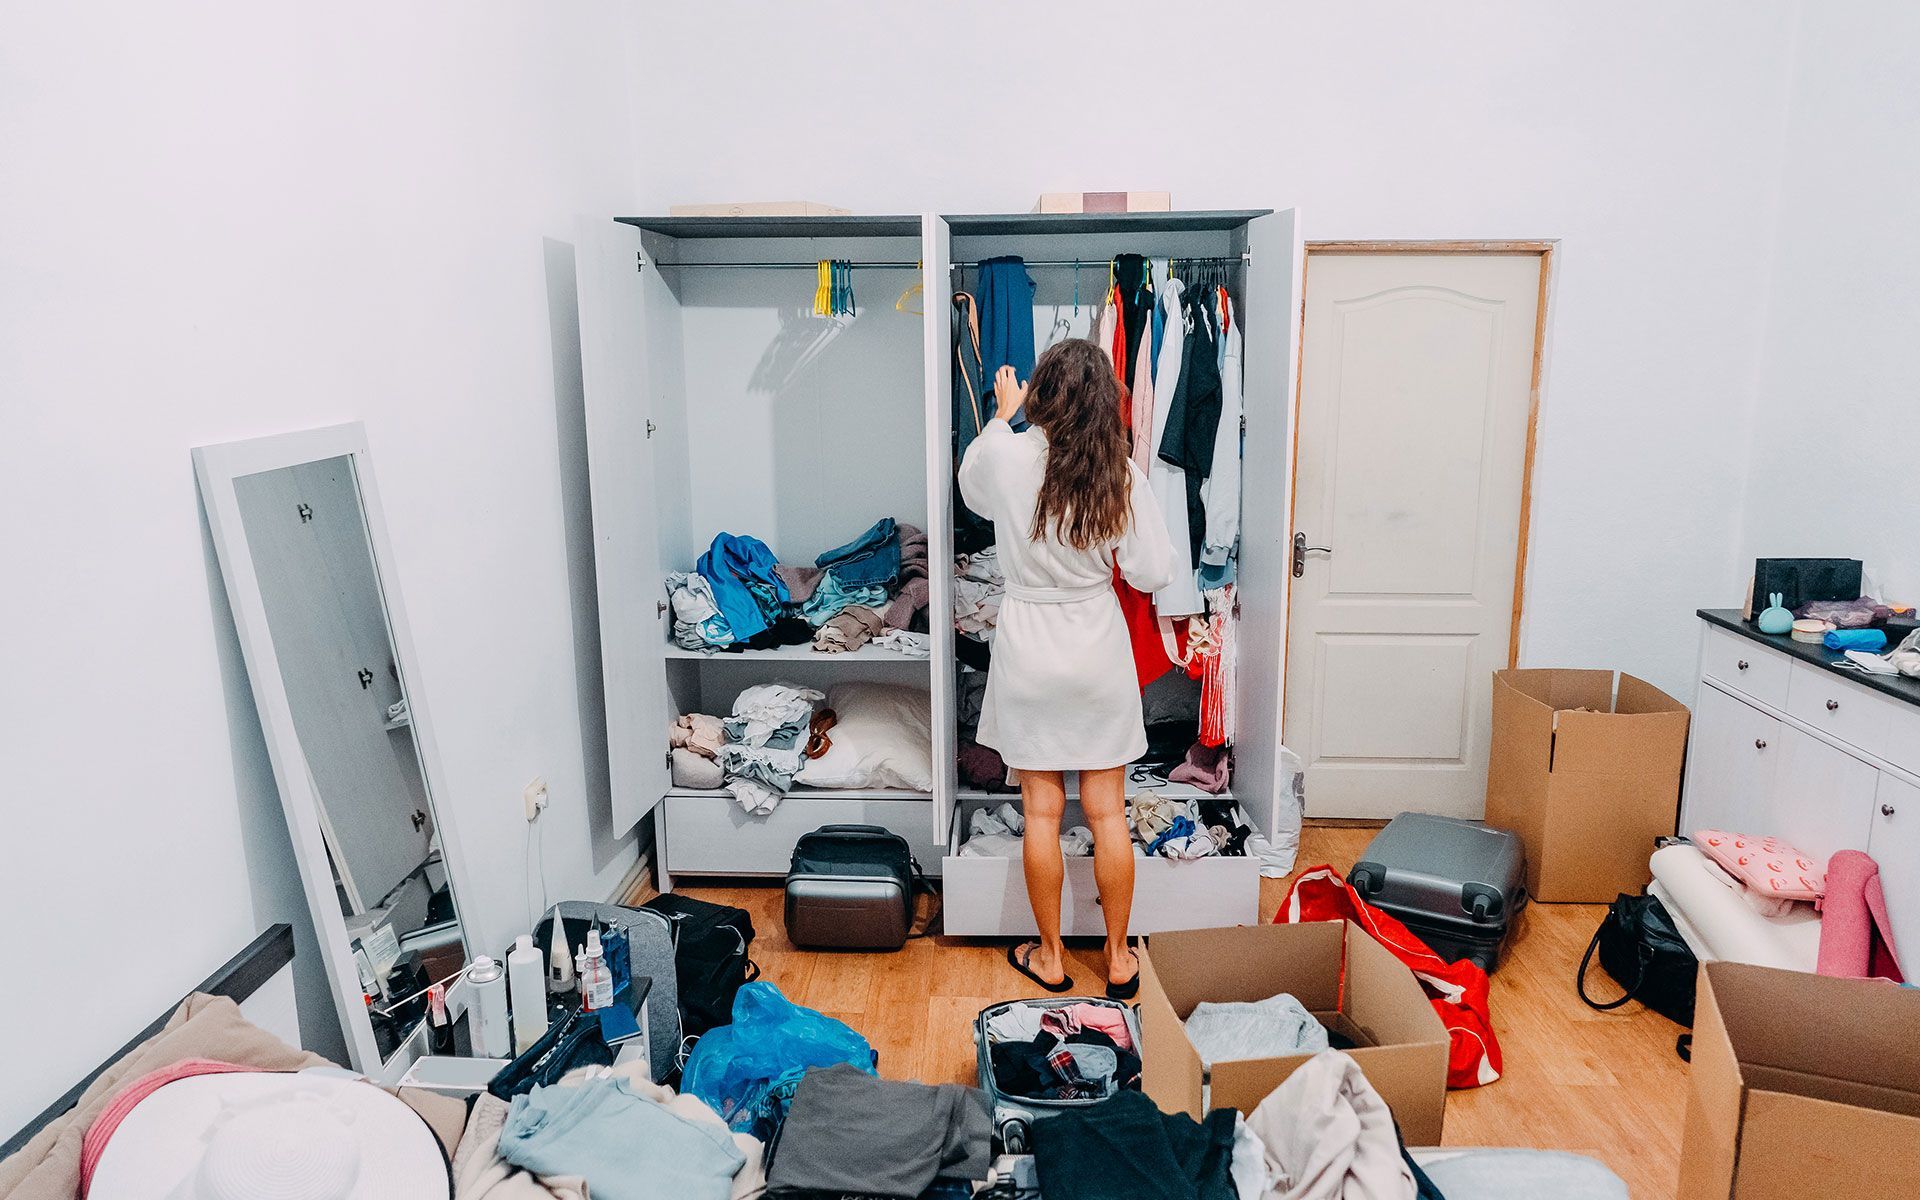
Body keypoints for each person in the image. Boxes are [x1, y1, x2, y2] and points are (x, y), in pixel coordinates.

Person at [958, 338, 1174, 998]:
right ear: (1106, 401)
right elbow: (1153, 570)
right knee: (1109, 815)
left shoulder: (1005, 455)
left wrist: (1001, 415)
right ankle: (1118, 957)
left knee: (1042, 813)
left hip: (1028, 648)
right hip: (1095, 648)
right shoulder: (1119, 475)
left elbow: (971, 493)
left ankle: (1051, 956)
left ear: (1043, 393)